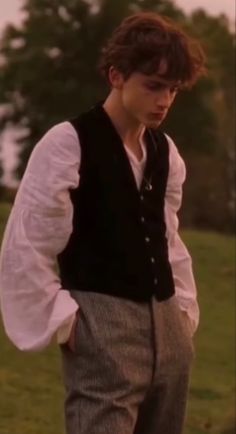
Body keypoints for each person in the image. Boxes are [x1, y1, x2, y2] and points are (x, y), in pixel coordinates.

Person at [0, 11, 205, 434]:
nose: (164, 100)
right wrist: (68, 324)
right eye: (153, 86)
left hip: (170, 332)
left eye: (172, 89)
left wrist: (183, 313)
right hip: (101, 329)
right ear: (116, 75)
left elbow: (168, 241)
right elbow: (27, 244)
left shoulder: (167, 152)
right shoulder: (67, 144)